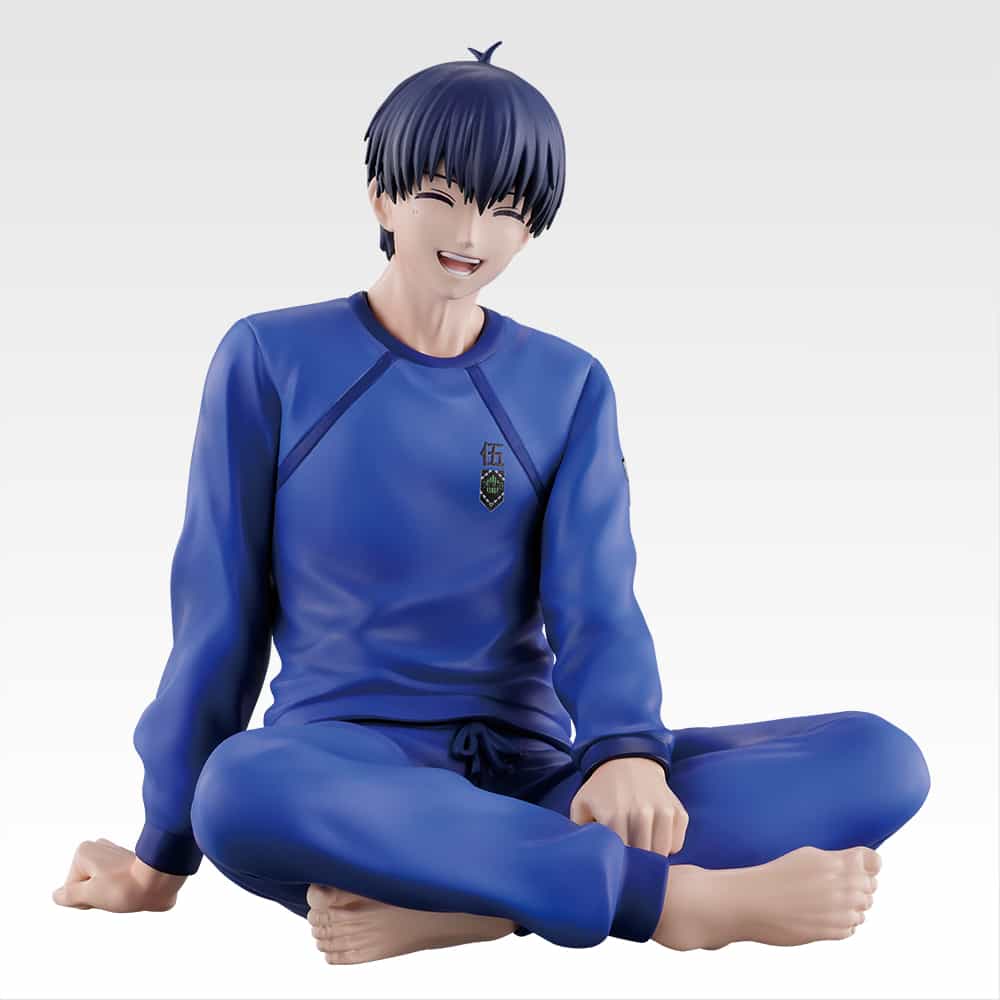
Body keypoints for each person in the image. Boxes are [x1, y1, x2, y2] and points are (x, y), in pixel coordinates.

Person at [53, 41, 930, 963]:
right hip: (353, 785)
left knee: (878, 757)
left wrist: (624, 751)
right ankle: (667, 903)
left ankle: (481, 906)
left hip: (539, 784)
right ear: (382, 197)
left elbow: (597, 600)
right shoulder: (271, 358)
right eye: (442, 194)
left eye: (507, 209)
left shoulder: (567, 383)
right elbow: (216, 614)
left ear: (532, 229)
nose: (471, 231)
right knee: (238, 790)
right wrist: (161, 855)